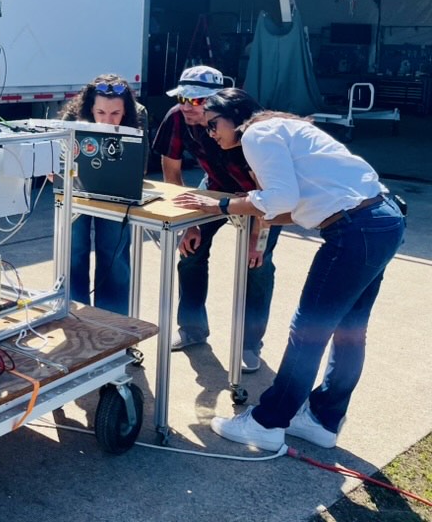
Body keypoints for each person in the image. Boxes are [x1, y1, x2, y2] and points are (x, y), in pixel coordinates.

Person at [174, 89, 405, 451]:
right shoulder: (280, 129)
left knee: (308, 330)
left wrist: (219, 203)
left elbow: (278, 199)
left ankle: (269, 423)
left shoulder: (256, 135)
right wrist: (220, 207)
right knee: (350, 330)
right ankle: (323, 419)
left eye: (214, 124)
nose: (211, 134)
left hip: (353, 230)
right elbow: (288, 208)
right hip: (381, 219)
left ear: (236, 116)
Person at [152, 65, 281, 373]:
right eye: (182, 97)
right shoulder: (177, 118)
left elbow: (269, 195)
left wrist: (256, 241)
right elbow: (171, 172)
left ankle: (249, 344)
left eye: (196, 101)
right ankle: (193, 329)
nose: (186, 106)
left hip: (260, 198)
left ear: (217, 102)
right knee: (190, 253)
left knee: (257, 267)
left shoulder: (249, 130)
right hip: (213, 188)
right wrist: (189, 222)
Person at [59, 74, 147, 314]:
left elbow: (141, 164)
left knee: (114, 255)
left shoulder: (139, 114)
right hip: (77, 191)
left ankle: (113, 323)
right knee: (74, 252)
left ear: (126, 110)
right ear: (89, 107)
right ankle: (76, 317)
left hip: (116, 193)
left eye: (116, 114)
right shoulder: (73, 115)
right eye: (100, 113)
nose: (108, 120)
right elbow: (56, 153)